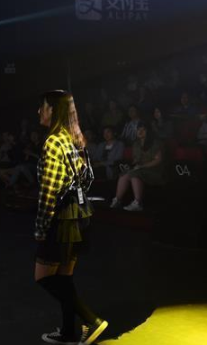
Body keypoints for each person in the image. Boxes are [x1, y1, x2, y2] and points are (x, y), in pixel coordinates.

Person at [34, 90, 108, 345]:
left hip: (61, 219)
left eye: (43, 107)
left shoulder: (54, 142)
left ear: (53, 110)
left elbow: (49, 191)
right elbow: (89, 178)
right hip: (79, 215)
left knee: (43, 277)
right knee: (64, 278)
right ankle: (68, 332)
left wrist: (41, 226)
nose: (39, 111)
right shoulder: (75, 138)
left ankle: (91, 320)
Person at [110, 122, 164, 212]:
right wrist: (131, 166)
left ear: (148, 131)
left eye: (143, 130)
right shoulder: (136, 144)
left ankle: (138, 203)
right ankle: (117, 200)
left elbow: (158, 160)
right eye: (139, 129)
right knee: (124, 174)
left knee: (135, 174)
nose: (140, 131)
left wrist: (142, 166)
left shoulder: (155, 143)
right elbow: (136, 160)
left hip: (154, 170)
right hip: (141, 169)